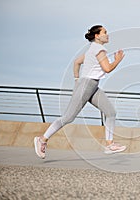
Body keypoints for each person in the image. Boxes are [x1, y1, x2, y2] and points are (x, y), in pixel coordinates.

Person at [34, 25, 126, 159]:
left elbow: (77, 62)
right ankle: (42, 139)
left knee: (111, 112)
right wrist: (117, 60)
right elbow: (107, 68)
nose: (107, 34)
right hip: (87, 85)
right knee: (68, 117)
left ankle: (110, 144)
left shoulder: (91, 50)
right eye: (105, 32)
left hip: (92, 86)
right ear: (97, 36)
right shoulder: (100, 50)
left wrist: (77, 79)